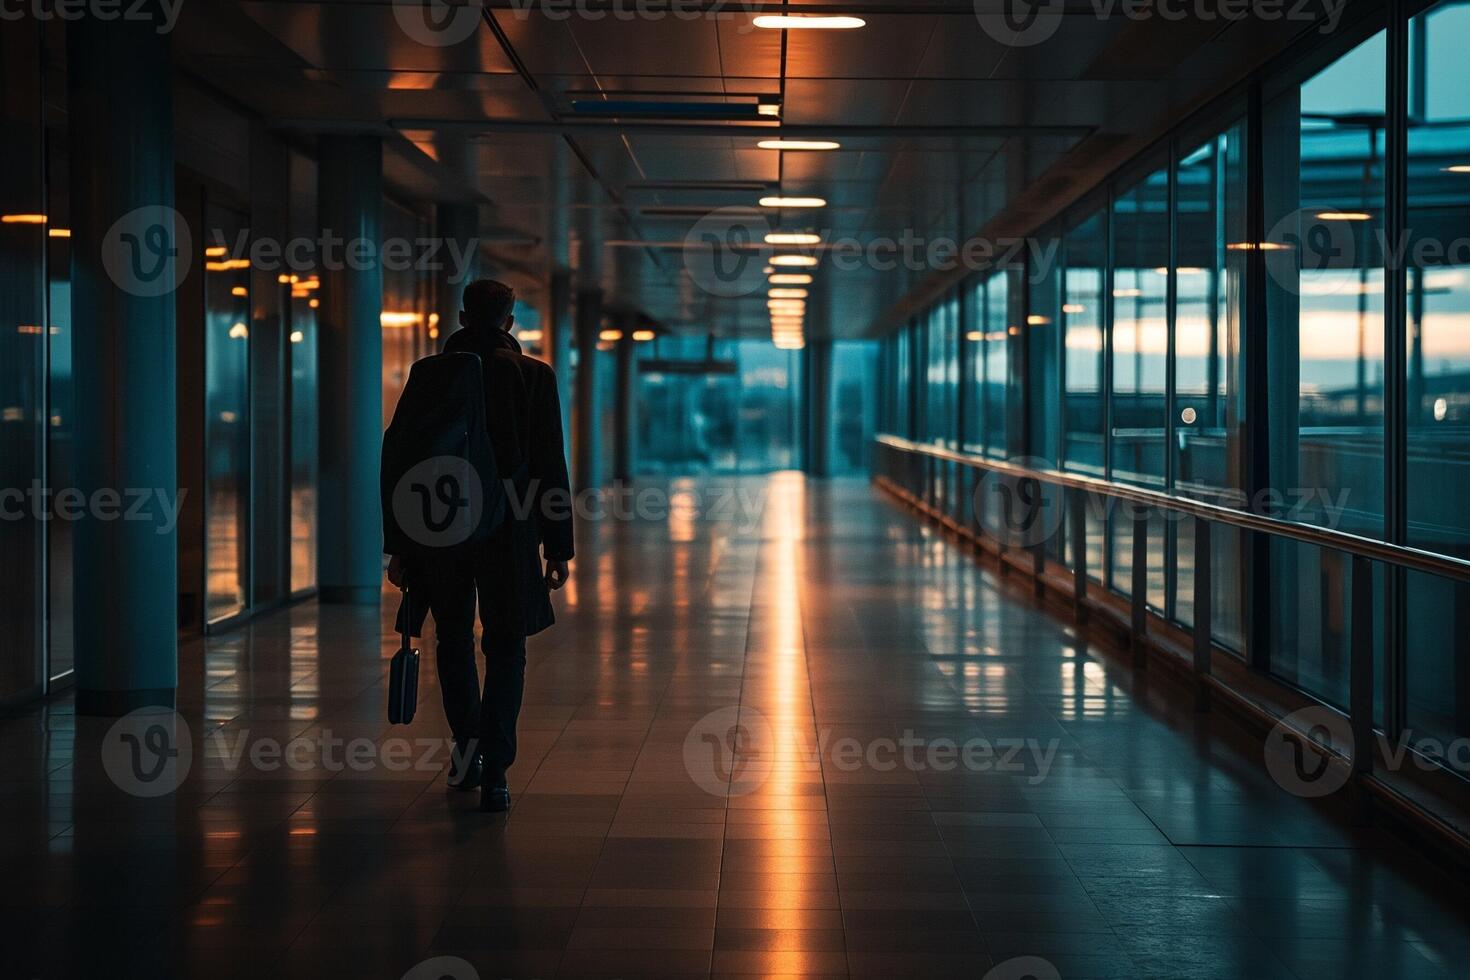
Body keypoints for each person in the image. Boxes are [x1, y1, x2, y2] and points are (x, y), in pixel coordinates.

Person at [387, 279, 573, 812]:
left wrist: (402, 543)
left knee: (451, 640)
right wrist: (557, 545)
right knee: (506, 645)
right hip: (509, 531)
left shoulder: (428, 374)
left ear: (464, 316)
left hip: (439, 531)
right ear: (510, 322)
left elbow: (402, 461)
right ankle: (498, 772)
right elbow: (549, 464)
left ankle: (467, 755)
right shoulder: (535, 376)